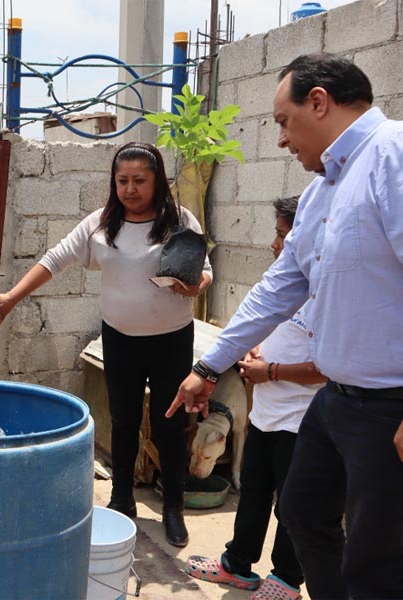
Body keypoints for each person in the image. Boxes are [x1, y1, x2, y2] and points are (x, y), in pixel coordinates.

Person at [169, 54, 403, 598]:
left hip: (389, 403)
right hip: (339, 401)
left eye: (281, 120)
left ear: (318, 101)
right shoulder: (325, 188)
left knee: (379, 555)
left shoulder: (392, 156)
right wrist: (210, 365)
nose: (279, 139)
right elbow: (278, 288)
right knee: (302, 511)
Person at [0, 142, 212, 547]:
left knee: (169, 425)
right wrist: (11, 298)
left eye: (140, 180)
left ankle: (173, 507)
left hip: (171, 342)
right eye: (122, 180)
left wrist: (196, 284)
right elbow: (54, 259)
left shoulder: (179, 221)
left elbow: (205, 270)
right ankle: (123, 500)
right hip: (119, 340)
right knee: (122, 422)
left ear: (157, 181)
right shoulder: (102, 224)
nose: (130, 189)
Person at [184, 197, 327, 600]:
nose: (275, 244)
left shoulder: (328, 293)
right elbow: (263, 327)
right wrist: (251, 352)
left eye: (283, 235)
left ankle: (285, 579)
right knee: (253, 491)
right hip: (266, 411)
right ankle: (238, 565)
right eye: (277, 234)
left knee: (293, 505)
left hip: (302, 420)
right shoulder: (284, 283)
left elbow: (332, 366)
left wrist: (273, 372)